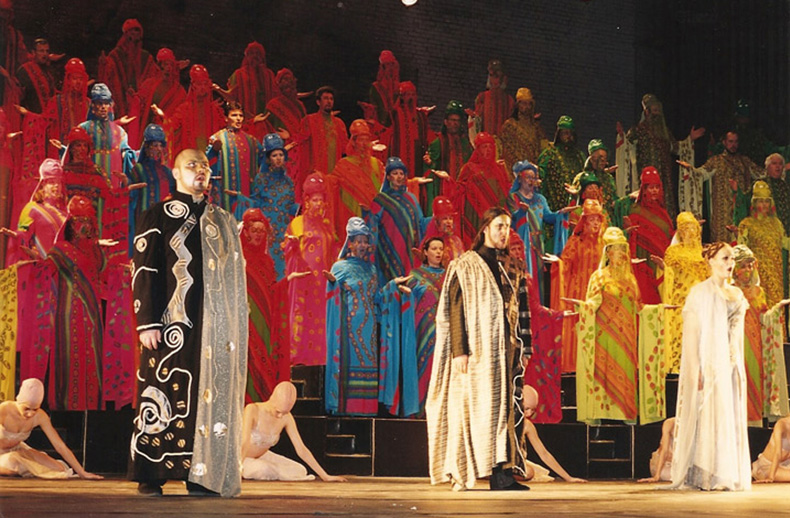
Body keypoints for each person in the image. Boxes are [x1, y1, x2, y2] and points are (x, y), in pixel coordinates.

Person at [130, 148, 248, 497]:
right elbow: (145, 268)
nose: (200, 170)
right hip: (172, 323)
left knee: (206, 394)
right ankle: (151, 474)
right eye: (191, 165)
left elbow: (233, 277)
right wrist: (147, 321)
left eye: (205, 166)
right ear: (176, 173)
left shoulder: (222, 220)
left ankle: (201, 474)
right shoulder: (159, 214)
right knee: (164, 388)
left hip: (213, 324)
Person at [426, 207, 531, 491]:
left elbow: (523, 309)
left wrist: (526, 347)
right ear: (485, 229)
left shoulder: (513, 265)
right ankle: (469, 469)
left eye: (507, 227)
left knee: (508, 412)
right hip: (479, 352)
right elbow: (456, 308)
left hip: (508, 351)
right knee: (477, 410)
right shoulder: (466, 265)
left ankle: (503, 475)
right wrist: (459, 351)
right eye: (499, 226)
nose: (504, 232)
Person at [670, 242, 751, 491]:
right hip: (710, 364)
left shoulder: (737, 295)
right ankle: (707, 474)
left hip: (731, 365)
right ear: (711, 261)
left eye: (732, 259)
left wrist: (734, 363)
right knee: (710, 418)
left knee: (729, 417)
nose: (730, 263)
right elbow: (692, 336)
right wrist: (697, 370)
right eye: (725, 258)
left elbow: (736, 335)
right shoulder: (699, 293)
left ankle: (727, 473)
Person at [564, 227, 666, 425]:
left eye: (623, 249)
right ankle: (600, 413)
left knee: (626, 371)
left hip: (626, 335)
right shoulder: (599, 276)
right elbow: (593, 302)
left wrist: (659, 309)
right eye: (616, 249)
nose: (620, 253)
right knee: (603, 371)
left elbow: (638, 306)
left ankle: (625, 412)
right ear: (608, 252)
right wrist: (582, 306)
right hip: (604, 334)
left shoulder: (630, 279)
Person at [379, 235, 445, 417]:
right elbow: (402, 302)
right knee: (422, 370)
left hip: (444, 334)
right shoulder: (415, 276)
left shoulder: (449, 276)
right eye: (434, 249)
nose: (438, 252)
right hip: (421, 333)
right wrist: (405, 295)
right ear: (425, 252)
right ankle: (419, 413)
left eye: (441, 249)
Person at [616, 93, 704, 218]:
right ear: (647, 112)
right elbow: (628, 146)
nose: (657, 115)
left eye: (658, 111)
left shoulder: (664, 132)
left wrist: (690, 139)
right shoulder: (638, 130)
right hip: (646, 177)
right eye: (654, 111)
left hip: (664, 178)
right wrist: (622, 137)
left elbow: (677, 148)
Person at [284, 172, 339, 366]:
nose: (318, 204)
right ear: (307, 201)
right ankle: (298, 360)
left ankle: (320, 361)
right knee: (303, 319)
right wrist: (292, 249)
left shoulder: (326, 225)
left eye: (321, 200)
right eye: (314, 200)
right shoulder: (298, 223)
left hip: (323, 282)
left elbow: (333, 251)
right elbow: (289, 250)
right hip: (304, 281)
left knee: (321, 320)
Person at [731, 245, 789, 425]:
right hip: (735, 342)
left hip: (755, 344)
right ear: (735, 269)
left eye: (750, 265)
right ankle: (735, 422)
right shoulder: (729, 292)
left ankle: (753, 423)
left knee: (754, 378)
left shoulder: (758, 292)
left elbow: (763, 317)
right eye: (743, 266)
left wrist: (777, 309)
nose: (748, 270)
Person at [241, 382, 346, 482]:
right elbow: (244, 442)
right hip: (243, 456)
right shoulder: (252, 409)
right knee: (263, 469)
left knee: (300, 470)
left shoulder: (286, 417)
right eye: (278, 411)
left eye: (284, 413)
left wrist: (325, 476)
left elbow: (301, 448)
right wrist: (238, 467)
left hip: (263, 456)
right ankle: (251, 469)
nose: (280, 416)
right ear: (272, 398)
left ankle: (269, 469)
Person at [546, 198, 604, 373]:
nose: (595, 223)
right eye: (591, 219)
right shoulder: (575, 242)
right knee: (576, 327)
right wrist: (558, 263)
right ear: (584, 222)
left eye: (598, 219)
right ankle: (574, 363)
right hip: (578, 291)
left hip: (596, 292)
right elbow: (566, 264)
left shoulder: (603, 244)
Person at [0, 378, 102, 479]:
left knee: (59, 469)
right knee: (12, 462)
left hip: (19, 451)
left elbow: (59, 445)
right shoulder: (4, 410)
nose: (30, 414)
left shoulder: (40, 416)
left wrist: (82, 472)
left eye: (35, 409)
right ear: (18, 400)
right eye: (26, 408)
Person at [232, 133, 297, 279]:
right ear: (268, 158)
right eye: (274, 155)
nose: (278, 158)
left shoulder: (288, 182)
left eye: (281, 155)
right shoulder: (261, 179)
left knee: (284, 267)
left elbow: (290, 206)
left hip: (284, 230)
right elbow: (255, 204)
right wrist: (240, 197)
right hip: (266, 231)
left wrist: (305, 207)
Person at [679, 130, 763, 241]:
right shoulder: (716, 161)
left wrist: (779, 168)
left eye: (736, 142)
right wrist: (691, 169)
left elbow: (761, 174)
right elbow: (701, 173)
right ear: (724, 142)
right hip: (721, 211)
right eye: (730, 141)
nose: (733, 145)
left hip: (740, 209)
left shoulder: (745, 161)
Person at [241, 208, 288, 404]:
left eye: (262, 231)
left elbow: (271, 290)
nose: (258, 235)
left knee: (264, 357)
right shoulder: (239, 259)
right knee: (249, 358)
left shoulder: (268, 262)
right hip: (246, 317)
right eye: (254, 230)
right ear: (246, 232)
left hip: (266, 320)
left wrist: (287, 282)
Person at [655, 212, 709, 374]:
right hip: (680, 300)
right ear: (679, 232)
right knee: (681, 333)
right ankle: (679, 371)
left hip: (700, 301)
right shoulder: (673, 252)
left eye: (693, 228)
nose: (689, 232)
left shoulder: (703, 252)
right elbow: (668, 274)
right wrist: (664, 268)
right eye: (685, 228)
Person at [366, 156, 425, 286]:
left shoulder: (411, 198)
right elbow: (372, 225)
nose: (399, 177)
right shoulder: (380, 199)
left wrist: (437, 219)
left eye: (401, 173)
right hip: (388, 250)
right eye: (395, 173)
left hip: (409, 250)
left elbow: (421, 223)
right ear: (388, 177)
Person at [620, 166, 675, 304]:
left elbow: (669, 236)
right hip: (642, 264)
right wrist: (627, 231)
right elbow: (630, 238)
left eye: (657, 187)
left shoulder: (663, 212)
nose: (654, 190)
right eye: (651, 187)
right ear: (644, 189)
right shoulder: (635, 210)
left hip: (660, 263)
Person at [327, 120, 385, 243]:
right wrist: (321, 179)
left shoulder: (377, 164)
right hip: (353, 217)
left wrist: (412, 182)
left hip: (376, 217)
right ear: (353, 142)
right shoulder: (343, 165)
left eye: (366, 140)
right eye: (361, 140)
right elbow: (331, 185)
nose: (364, 144)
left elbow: (388, 186)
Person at [452, 132, 512, 247]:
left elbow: (506, 191)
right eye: (484, 147)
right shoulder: (469, 168)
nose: (488, 150)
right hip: (475, 217)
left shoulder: (499, 169)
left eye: (490, 147)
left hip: (495, 215)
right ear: (478, 149)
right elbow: (458, 192)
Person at [736, 181, 788, 307]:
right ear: (754, 203)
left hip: (776, 274)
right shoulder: (746, 224)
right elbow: (741, 251)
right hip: (756, 274)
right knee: (759, 306)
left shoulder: (776, 223)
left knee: (776, 305)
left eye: (766, 201)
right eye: (760, 201)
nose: (764, 205)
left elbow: (784, 242)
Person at [520, 385, 587, 483]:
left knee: (528, 472)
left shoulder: (527, 425)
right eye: (526, 409)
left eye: (533, 410)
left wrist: (568, 478)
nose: (529, 413)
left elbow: (544, 454)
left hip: (515, 464)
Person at [217, 41, 279, 140]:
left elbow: (277, 96)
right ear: (247, 56)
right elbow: (231, 98)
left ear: (262, 57)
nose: (255, 56)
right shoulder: (238, 75)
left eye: (258, 53)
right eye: (252, 53)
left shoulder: (269, 75)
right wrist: (219, 90)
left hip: (266, 124)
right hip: (246, 123)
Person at [207, 100, 262, 212]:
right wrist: (214, 150)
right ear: (226, 118)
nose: (238, 119)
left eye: (240, 116)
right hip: (225, 192)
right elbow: (207, 163)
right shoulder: (217, 138)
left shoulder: (252, 141)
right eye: (234, 115)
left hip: (248, 192)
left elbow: (265, 160)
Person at [128, 48, 187, 150]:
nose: (168, 68)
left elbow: (180, 114)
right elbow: (140, 102)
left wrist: (166, 120)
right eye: (165, 64)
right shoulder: (149, 84)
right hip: (148, 128)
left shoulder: (179, 91)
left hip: (166, 132)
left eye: (170, 65)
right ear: (160, 66)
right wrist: (135, 98)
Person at [98, 18, 158, 117]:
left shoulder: (145, 57)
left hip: (139, 103)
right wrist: (103, 65)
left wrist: (174, 66)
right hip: (121, 102)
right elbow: (108, 74)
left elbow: (156, 73)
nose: (134, 34)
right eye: (132, 31)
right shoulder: (116, 55)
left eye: (137, 31)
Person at [422, 100, 472, 215]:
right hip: (444, 192)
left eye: (458, 121)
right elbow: (432, 171)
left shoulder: (466, 144)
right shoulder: (438, 142)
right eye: (452, 120)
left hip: (462, 194)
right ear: (446, 122)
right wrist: (430, 163)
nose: (455, 123)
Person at [299, 85, 347, 200]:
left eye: (331, 99)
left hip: (334, 175)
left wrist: (365, 144)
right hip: (316, 173)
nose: (329, 101)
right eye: (325, 98)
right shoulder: (309, 120)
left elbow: (346, 147)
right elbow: (300, 141)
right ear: (318, 102)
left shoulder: (339, 123)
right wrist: (289, 137)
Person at [537, 116, 586, 214]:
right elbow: (540, 174)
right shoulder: (549, 154)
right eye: (565, 133)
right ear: (559, 135)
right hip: (554, 206)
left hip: (575, 205)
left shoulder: (579, 156)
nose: (568, 136)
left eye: (570, 133)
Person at [499, 87, 548, 168]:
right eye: (524, 103)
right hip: (515, 168)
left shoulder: (536, 127)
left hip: (533, 169)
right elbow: (505, 149)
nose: (527, 107)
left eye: (529, 104)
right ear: (518, 105)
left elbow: (542, 147)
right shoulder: (509, 125)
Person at [471, 60, 515, 138]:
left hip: (502, 142)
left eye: (497, 76)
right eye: (491, 75)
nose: (495, 80)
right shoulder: (482, 97)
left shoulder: (509, 100)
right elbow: (477, 122)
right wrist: (473, 117)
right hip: (485, 141)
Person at [420, 196, 464, 267]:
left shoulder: (456, 241)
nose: (448, 222)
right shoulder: (429, 243)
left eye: (450, 218)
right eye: (445, 218)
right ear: (437, 221)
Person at [753, 415, 790, 483]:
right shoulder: (781, 424)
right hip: (768, 467)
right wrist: (770, 477)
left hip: (785, 466)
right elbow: (777, 453)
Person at [637, 417, 675, 483]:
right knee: (669, 475)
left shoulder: (692, 425)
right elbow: (664, 451)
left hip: (679, 464)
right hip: (664, 463)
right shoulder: (670, 423)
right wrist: (657, 476)